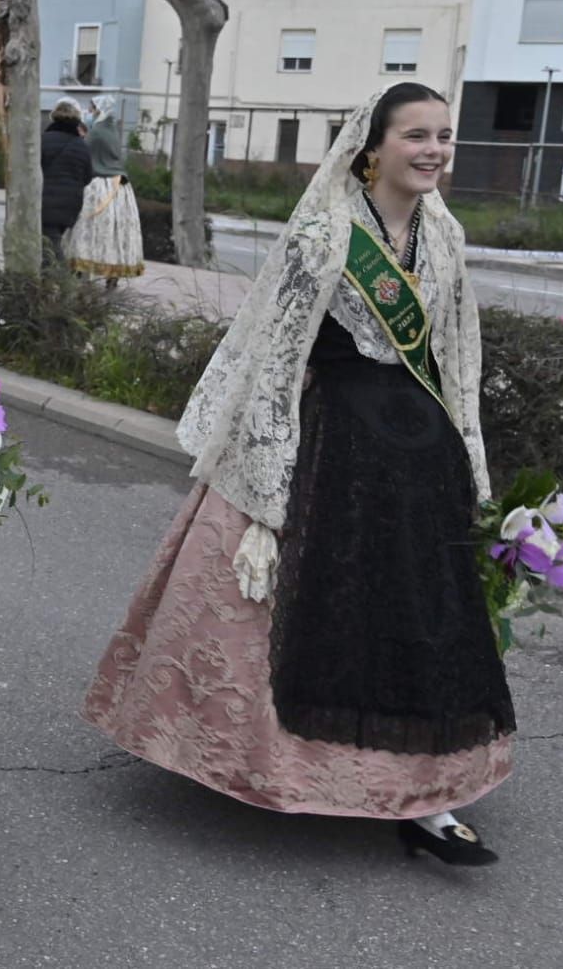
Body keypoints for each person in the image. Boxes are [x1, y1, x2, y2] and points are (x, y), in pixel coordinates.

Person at [82, 83, 512, 865]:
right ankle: (283, 768)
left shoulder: (442, 237)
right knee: (310, 613)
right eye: (415, 135)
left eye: (443, 136)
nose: (432, 150)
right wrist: (267, 489)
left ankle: (427, 798)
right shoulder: (323, 235)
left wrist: (468, 465)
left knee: (421, 619)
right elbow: (276, 361)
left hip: (419, 460)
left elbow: (456, 358)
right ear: (372, 147)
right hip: (332, 450)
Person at [63, 95, 144, 288]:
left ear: (99, 110)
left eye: (91, 109)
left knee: (87, 228)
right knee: (113, 231)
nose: (89, 113)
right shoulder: (112, 129)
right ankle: (112, 273)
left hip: (99, 186)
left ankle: (80, 266)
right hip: (119, 187)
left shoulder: (97, 132)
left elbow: (85, 154)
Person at [40, 98, 92, 270]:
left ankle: (64, 284)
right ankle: (49, 283)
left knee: (50, 247)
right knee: (51, 242)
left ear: (53, 117)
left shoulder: (42, 140)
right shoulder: (82, 146)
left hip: (44, 201)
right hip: (70, 205)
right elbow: (88, 177)